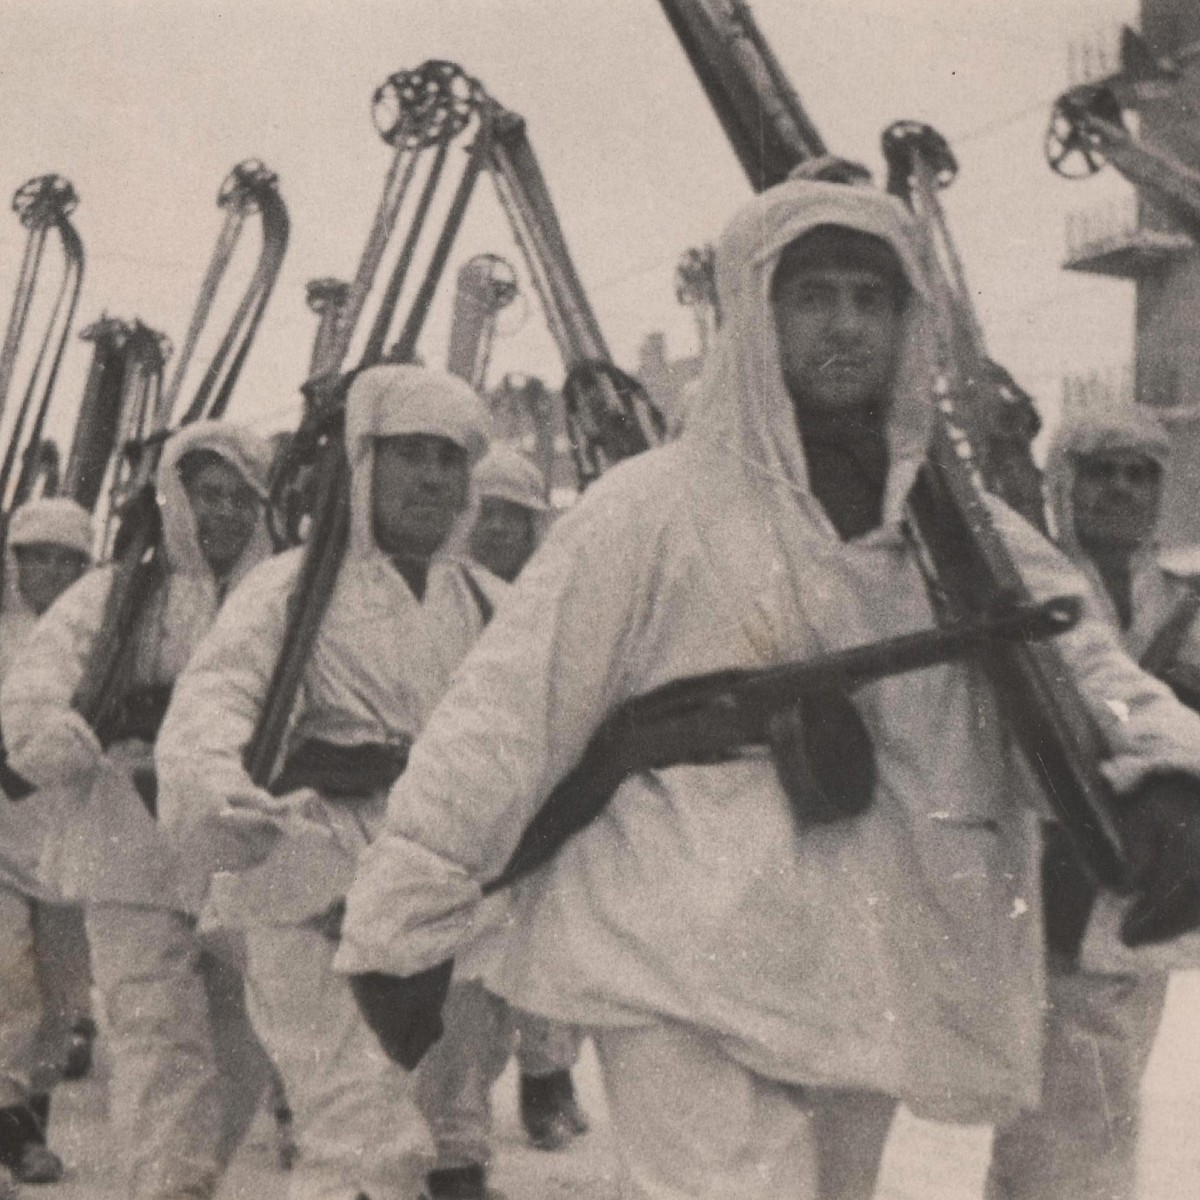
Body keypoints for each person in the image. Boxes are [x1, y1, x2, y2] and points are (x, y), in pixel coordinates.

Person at [333, 178, 1200, 1200]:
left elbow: (1084, 669)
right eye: (814, 297)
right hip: (673, 945)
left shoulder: (960, 534)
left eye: (871, 301)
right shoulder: (647, 512)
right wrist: (400, 923)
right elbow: (504, 721)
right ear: (760, 316)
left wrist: (1169, 768)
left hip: (859, 957)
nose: (845, 327)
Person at [154, 365, 500, 1200]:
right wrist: (225, 794)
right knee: (357, 1135)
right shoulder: (288, 591)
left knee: (438, 1123)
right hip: (316, 873)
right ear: (364, 464)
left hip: (443, 887)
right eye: (409, 454)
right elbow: (210, 709)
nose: (430, 478)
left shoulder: (492, 604)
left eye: (449, 459)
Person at [1, 423, 278, 1200]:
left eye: (237, 496)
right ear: (174, 500)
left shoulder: (283, 593)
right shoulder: (114, 594)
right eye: (204, 495)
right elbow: (30, 696)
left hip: (241, 851)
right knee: (158, 1044)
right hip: (129, 847)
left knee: (245, 1045)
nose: (220, 513)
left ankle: (189, 1176)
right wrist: (74, 733)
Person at [986, 404, 1198, 1200]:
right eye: (1100, 471)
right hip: (1040, 880)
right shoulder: (1024, 584)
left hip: (1149, 885)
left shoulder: (1188, 600)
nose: (1119, 489)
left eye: (1139, 473)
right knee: (1054, 1116)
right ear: (1063, 483)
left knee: (1096, 1104)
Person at [466, 444, 589, 1153]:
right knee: (477, 959)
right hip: (478, 795)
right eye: (484, 516)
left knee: (549, 940)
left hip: (546, 792)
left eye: (511, 519)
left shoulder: (552, 596)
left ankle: (547, 1077)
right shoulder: (445, 591)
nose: (496, 532)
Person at [0, 498, 93, 1194]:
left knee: (63, 999)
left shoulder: (98, 639)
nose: (52, 572)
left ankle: (37, 1112)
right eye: (40, 557)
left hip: (72, 843)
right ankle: (14, 1132)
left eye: (69, 560)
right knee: (10, 989)